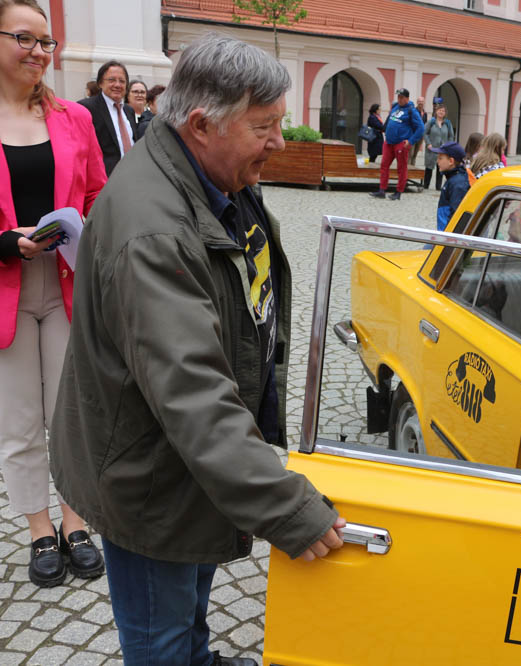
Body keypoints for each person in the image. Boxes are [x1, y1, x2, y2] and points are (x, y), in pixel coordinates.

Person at [49, 34, 345, 665]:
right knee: (160, 638)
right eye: (264, 127)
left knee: (191, 612)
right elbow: (193, 394)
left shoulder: (206, 173)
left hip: (192, 470)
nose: (280, 143)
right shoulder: (154, 230)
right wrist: (287, 509)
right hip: (153, 476)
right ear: (202, 124)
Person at [0, 0, 107, 589]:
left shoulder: (74, 117)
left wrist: (86, 230)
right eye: (25, 38)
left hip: (66, 283)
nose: (39, 51)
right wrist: (3, 243)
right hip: (6, 293)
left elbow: (97, 195)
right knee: (18, 422)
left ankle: (75, 522)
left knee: (71, 414)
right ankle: (40, 529)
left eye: (47, 42)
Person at [77, 59, 136, 176]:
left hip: (132, 177)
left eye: (122, 81)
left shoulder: (129, 111)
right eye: (111, 80)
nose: (117, 85)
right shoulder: (86, 108)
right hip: (104, 180)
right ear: (100, 83)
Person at [370, 87, 424, 200]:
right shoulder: (395, 106)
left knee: (401, 168)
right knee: (384, 166)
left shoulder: (412, 111)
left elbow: (420, 128)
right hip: (389, 142)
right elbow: (390, 119)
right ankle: (382, 190)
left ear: (407, 98)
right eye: (398, 97)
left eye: (402, 97)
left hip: (401, 143)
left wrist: (410, 141)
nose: (399, 99)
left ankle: (398, 192)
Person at [431, 141, 470, 231]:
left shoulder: (458, 184)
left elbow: (456, 216)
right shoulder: (452, 178)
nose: (437, 161)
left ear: (451, 161)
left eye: (440, 158)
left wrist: (447, 239)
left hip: (448, 237)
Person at [423, 102, 454, 190]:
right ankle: (426, 185)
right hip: (431, 149)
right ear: (436, 111)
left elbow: (451, 136)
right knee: (429, 167)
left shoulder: (447, 123)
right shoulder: (431, 122)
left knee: (441, 168)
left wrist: (448, 145)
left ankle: (438, 187)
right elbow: (425, 133)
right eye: (440, 110)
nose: (441, 112)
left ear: (445, 113)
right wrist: (428, 143)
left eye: (443, 111)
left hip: (442, 150)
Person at [410, 94, 427, 166]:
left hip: (420, 136)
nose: (421, 102)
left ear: (424, 102)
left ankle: (412, 170)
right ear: (417, 102)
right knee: (410, 154)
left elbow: (424, 124)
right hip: (413, 135)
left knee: (415, 155)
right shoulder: (413, 111)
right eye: (419, 101)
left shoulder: (425, 113)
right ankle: (407, 173)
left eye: (422, 101)